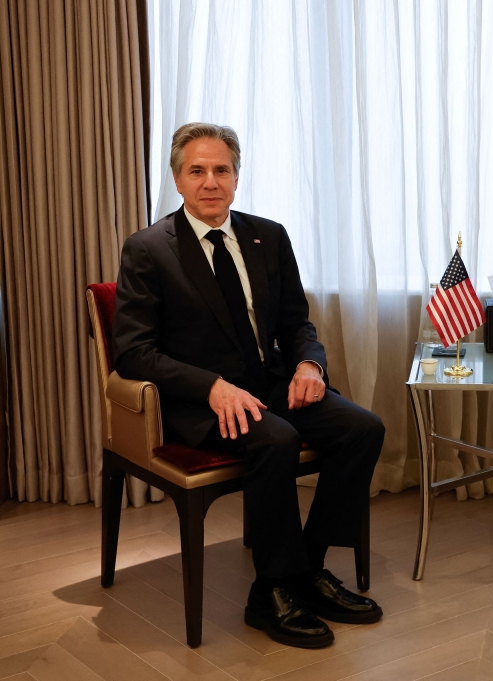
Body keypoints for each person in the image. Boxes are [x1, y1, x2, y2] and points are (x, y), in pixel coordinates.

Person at [113, 122, 385, 649]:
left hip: (272, 383)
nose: (210, 181)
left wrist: (310, 365)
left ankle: (308, 568)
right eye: (198, 170)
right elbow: (133, 351)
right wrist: (211, 386)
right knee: (275, 439)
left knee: (362, 429)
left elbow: (295, 323)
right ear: (178, 179)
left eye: (222, 170)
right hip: (203, 401)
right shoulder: (149, 249)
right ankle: (272, 592)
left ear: (237, 177)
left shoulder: (268, 236)